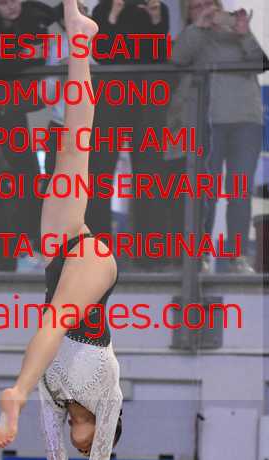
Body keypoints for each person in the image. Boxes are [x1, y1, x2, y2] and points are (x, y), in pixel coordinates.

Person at [0, 0, 123, 460]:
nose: (76, 436)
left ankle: (79, 38)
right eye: (84, 438)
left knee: (74, 144)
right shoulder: (107, 395)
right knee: (56, 320)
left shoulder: (58, 401)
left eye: (76, 436)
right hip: (91, 266)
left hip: (61, 255)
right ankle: (12, 392)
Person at [0, 1, 66, 272]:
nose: (10, 6)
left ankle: (24, 246)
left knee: (26, 178)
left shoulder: (34, 22)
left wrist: (12, 57)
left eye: (13, 0)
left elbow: (36, 58)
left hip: (12, 111)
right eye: (3, 2)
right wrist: (22, 55)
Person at [172, 0, 265, 274]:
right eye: (196, 7)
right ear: (189, 14)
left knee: (240, 192)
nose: (204, 10)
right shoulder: (193, 36)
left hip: (246, 121)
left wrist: (244, 33)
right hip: (207, 122)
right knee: (205, 191)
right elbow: (177, 59)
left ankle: (237, 256)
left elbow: (260, 64)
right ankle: (199, 256)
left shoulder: (239, 32)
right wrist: (198, 27)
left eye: (208, 4)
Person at [88, 0, 172, 270]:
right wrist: (113, 15)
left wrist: (156, 21)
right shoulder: (103, 9)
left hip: (145, 98)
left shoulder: (156, 8)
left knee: (149, 175)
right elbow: (102, 52)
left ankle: (151, 254)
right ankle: (97, 253)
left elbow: (160, 55)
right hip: (110, 97)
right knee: (99, 174)